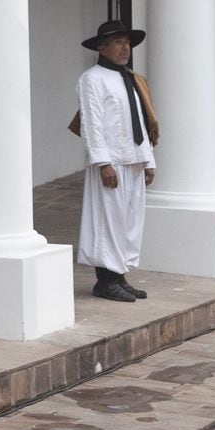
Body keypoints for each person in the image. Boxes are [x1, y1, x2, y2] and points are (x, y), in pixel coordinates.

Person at [74, 20, 159, 303]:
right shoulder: (92, 79)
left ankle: (120, 274)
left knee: (129, 221)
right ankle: (106, 280)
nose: (125, 48)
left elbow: (142, 120)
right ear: (102, 48)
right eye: (119, 43)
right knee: (107, 220)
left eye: (128, 43)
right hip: (111, 160)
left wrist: (148, 159)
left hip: (133, 158)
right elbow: (92, 123)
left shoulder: (131, 79)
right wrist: (102, 162)